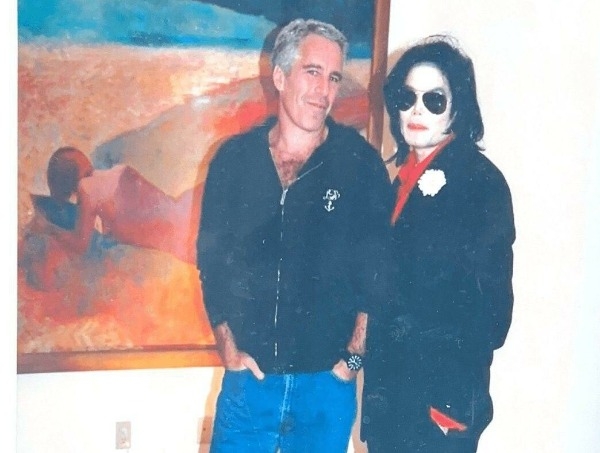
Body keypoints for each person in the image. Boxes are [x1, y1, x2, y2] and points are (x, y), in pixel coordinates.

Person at [196, 18, 392, 453]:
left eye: (334, 77)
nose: (324, 91)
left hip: (324, 389)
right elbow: (212, 265)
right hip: (249, 386)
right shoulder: (233, 162)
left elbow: (377, 275)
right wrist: (229, 349)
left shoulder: (360, 165)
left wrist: (350, 362)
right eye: (313, 72)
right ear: (281, 77)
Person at [361, 35, 516, 453]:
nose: (416, 110)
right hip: (390, 404)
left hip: (437, 414)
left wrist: (448, 408)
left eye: (434, 100)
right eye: (406, 97)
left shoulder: (480, 183)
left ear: (458, 108)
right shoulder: (399, 181)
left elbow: (492, 314)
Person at [20, 146, 202, 291]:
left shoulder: (86, 188)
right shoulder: (115, 172)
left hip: (167, 231)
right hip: (174, 212)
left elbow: (80, 244)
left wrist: (48, 228)